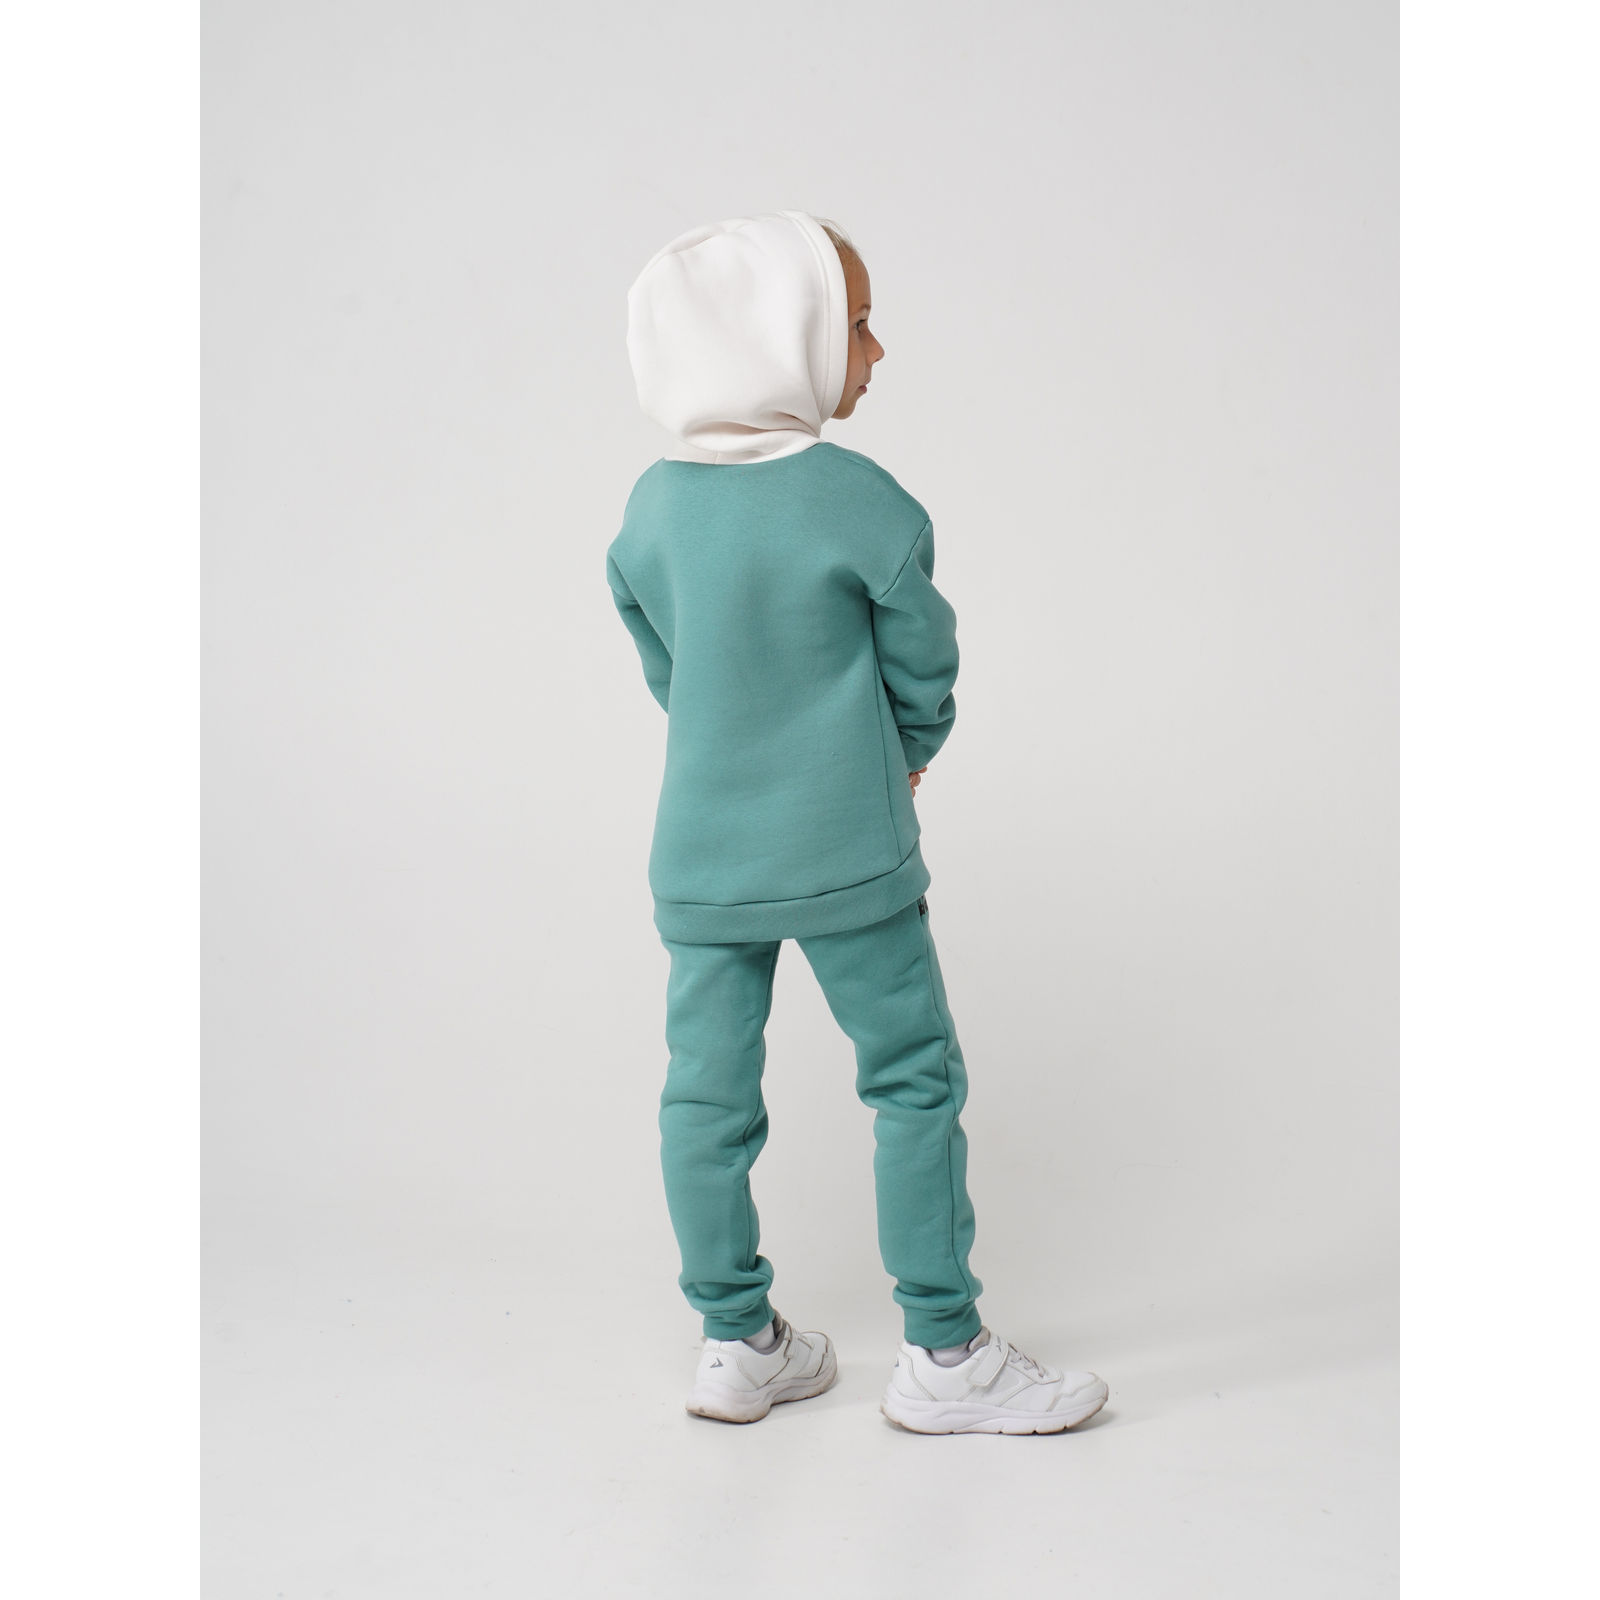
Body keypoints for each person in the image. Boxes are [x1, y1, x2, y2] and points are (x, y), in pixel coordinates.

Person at [605, 210, 1109, 1434]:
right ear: (778, 341)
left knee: (704, 1101)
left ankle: (735, 1342)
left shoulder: (652, 509)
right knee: (912, 1080)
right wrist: (902, 754)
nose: (876, 351)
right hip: (849, 852)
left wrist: (731, 733)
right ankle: (944, 1353)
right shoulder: (858, 500)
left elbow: (668, 664)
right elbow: (925, 661)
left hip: (702, 857)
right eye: (858, 324)